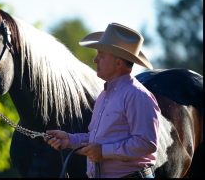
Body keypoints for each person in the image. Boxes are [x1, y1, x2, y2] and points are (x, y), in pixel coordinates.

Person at [45, 23, 161, 178]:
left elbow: (147, 143)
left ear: (118, 63)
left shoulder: (138, 95)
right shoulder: (104, 96)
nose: (95, 60)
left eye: (101, 55)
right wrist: (69, 139)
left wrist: (103, 152)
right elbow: (99, 140)